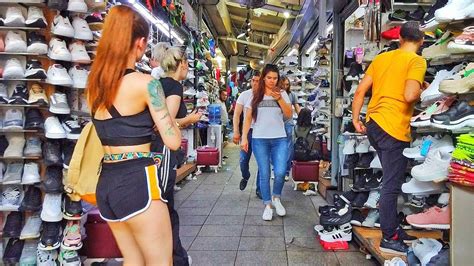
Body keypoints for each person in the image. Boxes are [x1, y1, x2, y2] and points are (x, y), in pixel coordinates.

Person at [87, 5, 181, 265]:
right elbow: (172, 140)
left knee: (133, 261)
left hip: (107, 184)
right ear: (140, 43)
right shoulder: (146, 84)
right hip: (138, 182)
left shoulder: (94, 86)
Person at [352, 21, 427, 255]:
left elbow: (360, 90)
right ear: (422, 41)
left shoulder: (382, 58)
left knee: (390, 179)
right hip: (394, 127)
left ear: (400, 37)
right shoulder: (417, 61)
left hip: (374, 123)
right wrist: (424, 91)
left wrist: (356, 119)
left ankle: (392, 226)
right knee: (391, 185)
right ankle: (389, 236)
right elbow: (409, 95)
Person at [152, 42, 203, 266]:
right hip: (162, 151)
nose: (188, 68)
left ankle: (170, 255)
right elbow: (165, 122)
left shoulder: (157, 84)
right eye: (187, 64)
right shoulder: (173, 86)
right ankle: (174, 258)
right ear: (181, 64)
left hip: (152, 150)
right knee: (164, 204)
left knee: (159, 203)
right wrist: (189, 120)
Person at [241, 64, 292, 221]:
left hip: (279, 138)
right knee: (264, 172)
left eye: (275, 78)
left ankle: (276, 197)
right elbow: (248, 117)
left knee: (280, 171)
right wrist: (243, 137)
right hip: (259, 138)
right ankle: (268, 205)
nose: (272, 81)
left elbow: (289, 114)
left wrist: (279, 99)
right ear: (264, 77)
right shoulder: (256, 94)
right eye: (269, 77)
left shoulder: (282, 93)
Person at [233, 70, 261, 196]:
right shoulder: (244, 95)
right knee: (243, 160)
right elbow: (237, 114)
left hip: (261, 132)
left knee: (262, 161)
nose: (255, 83)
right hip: (248, 131)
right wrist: (236, 131)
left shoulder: (265, 96)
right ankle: (246, 176)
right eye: (253, 80)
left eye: (258, 81)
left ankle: (260, 188)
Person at [281, 76, 301, 180]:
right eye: (283, 84)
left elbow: (297, 108)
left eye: (287, 84)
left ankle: (286, 171)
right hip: (277, 124)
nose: (285, 86)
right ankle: (276, 169)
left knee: (289, 147)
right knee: (277, 147)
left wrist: (302, 118)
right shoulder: (276, 95)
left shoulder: (292, 95)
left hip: (288, 123)